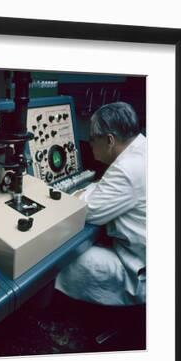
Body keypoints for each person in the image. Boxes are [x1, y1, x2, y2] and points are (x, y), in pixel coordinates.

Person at [54, 102, 146, 306]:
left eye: (92, 140)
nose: (90, 145)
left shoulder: (127, 168)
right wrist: (94, 187)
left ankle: (56, 314)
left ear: (110, 140)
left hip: (141, 271)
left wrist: (77, 192)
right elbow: (105, 187)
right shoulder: (142, 148)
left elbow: (85, 211)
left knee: (63, 258)